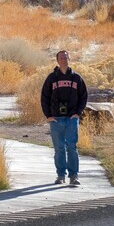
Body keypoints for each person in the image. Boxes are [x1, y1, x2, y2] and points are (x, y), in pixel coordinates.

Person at [40, 50, 88, 186]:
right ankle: (60, 176)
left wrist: (78, 113)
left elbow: (84, 96)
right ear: (57, 60)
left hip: (71, 118)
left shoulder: (76, 78)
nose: (63, 60)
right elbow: (44, 97)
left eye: (66, 57)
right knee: (59, 148)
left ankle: (74, 176)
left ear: (69, 59)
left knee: (72, 147)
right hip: (56, 119)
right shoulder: (51, 78)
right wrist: (48, 115)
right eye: (61, 58)